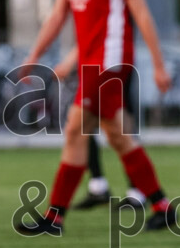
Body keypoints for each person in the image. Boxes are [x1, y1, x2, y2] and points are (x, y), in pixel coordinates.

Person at [14, 0, 175, 235]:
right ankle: (162, 206)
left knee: (75, 128)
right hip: (89, 60)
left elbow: (141, 12)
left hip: (111, 60)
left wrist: (159, 64)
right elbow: (59, 14)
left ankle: (54, 217)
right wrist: (34, 56)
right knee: (118, 135)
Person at [53, 44, 145, 211]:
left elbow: (98, 34)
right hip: (94, 62)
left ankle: (145, 195)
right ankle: (99, 187)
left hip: (112, 62)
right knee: (82, 126)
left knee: (118, 130)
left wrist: (68, 61)